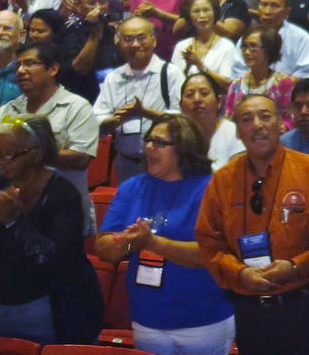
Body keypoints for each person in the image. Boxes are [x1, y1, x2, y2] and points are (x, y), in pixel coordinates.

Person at [196, 94, 309, 355]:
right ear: (238, 131)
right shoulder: (222, 180)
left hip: (305, 307)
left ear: (281, 123)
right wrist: (240, 272)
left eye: (265, 116)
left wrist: (295, 267)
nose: (257, 125)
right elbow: (209, 242)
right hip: (251, 313)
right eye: (246, 119)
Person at [92, 115, 233, 355]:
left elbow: (212, 253)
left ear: (184, 148)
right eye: (148, 140)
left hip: (203, 317)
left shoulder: (212, 188)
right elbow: (103, 248)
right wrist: (126, 241)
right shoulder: (132, 188)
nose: (149, 147)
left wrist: (153, 243)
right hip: (147, 315)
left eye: (159, 142)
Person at [0, 118, 103, 344]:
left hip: (53, 311)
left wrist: (14, 221)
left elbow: (57, 261)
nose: (3, 162)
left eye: (11, 155)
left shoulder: (63, 194)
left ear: (37, 154)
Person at [0, 41, 101, 223]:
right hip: (14, 206)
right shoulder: (8, 109)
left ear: (53, 69)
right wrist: (11, 157)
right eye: (18, 65)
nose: (21, 71)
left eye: (29, 63)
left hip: (63, 209)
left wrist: (26, 156)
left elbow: (81, 158)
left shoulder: (76, 107)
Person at [96, 16, 186, 183]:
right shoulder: (113, 77)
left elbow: (183, 119)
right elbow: (98, 121)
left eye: (141, 37)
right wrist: (119, 119)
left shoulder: (170, 73)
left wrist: (144, 112)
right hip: (126, 162)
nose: (135, 44)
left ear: (154, 40)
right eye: (128, 39)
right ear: (119, 42)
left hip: (165, 162)